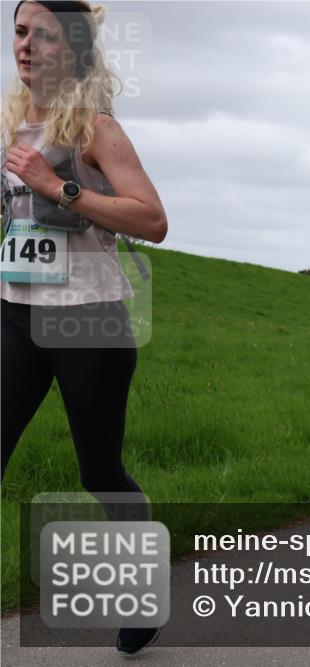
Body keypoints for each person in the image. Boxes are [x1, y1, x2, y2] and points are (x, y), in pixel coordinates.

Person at [1, 0, 168, 655]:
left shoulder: (95, 128)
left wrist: (58, 186)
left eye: (44, 34)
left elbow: (152, 219)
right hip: (14, 317)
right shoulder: (11, 125)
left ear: (69, 50)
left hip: (89, 320)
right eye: (19, 30)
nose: (27, 44)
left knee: (100, 471)